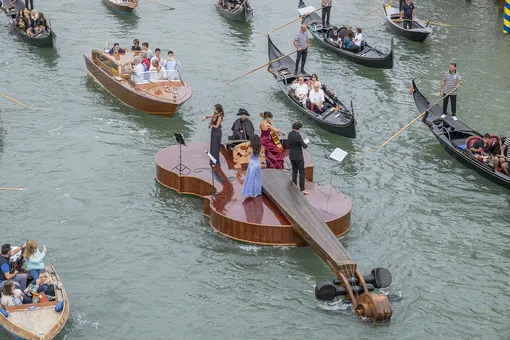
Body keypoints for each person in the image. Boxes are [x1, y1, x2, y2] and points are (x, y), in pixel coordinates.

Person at [287, 122, 308, 194]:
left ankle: (294, 186)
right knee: (301, 172)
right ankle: (302, 189)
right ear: (298, 128)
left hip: (291, 155)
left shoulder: (290, 134)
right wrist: (305, 144)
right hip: (298, 157)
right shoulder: (298, 136)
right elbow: (304, 146)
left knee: (294, 171)